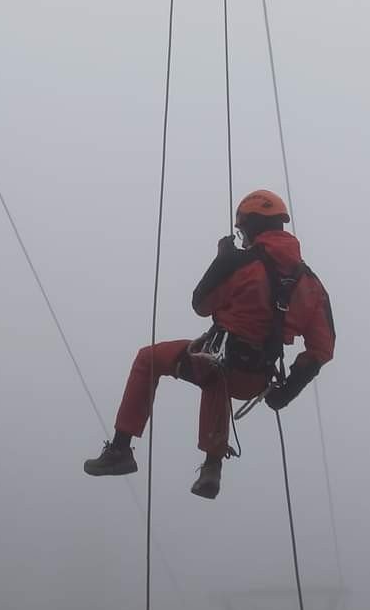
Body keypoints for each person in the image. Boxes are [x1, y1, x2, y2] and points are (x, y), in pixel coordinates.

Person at [84, 190, 335, 500]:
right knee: (218, 372)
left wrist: (222, 262)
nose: (242, 238)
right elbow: (322, 348)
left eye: (243, 231)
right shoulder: (311, 283)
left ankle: (121, 449)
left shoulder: (243, 264)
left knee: (152, 360)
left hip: (221, 360)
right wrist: (288, 389)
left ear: (252, 227)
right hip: (259, 377)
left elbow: (201, 304)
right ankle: (211, 468)